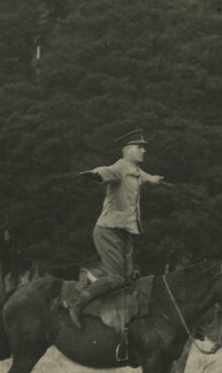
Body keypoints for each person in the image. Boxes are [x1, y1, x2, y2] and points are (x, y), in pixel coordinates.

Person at [61, 130, 166, 327]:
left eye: (144, 147)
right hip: (109, 229)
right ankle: (77, 303)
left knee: (130, 277)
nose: (143, 150)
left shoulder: (134, 169)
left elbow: (143, 176)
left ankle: (92, 274)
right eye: (139, 147)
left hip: (125, 231)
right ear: (127, 150)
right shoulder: (119, 167)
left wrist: (153, 179)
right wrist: (94, 174)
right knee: (117, 278)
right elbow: (105, 171)